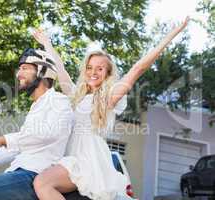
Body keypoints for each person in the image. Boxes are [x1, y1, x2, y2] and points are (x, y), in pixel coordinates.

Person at [31, 17, 189, 200]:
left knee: (42, 183)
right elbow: (61, 70)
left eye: (99, 69)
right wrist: (46, 43)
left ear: (107, 74)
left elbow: (138, 68)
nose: (93, 72)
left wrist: (171, 35)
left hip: (87, 161)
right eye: (90, 68)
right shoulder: (77, 96)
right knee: (40, 184)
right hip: (68, 155)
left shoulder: (109, 98)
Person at [0, 48, 74, 200]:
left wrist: (0, 139)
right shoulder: (36, 107)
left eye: (25, 68)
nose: (18, 74)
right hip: (20, 172)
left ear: (43, 72)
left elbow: (48, 134)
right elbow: (16, 148)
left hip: (35, 174)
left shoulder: (58, 100)